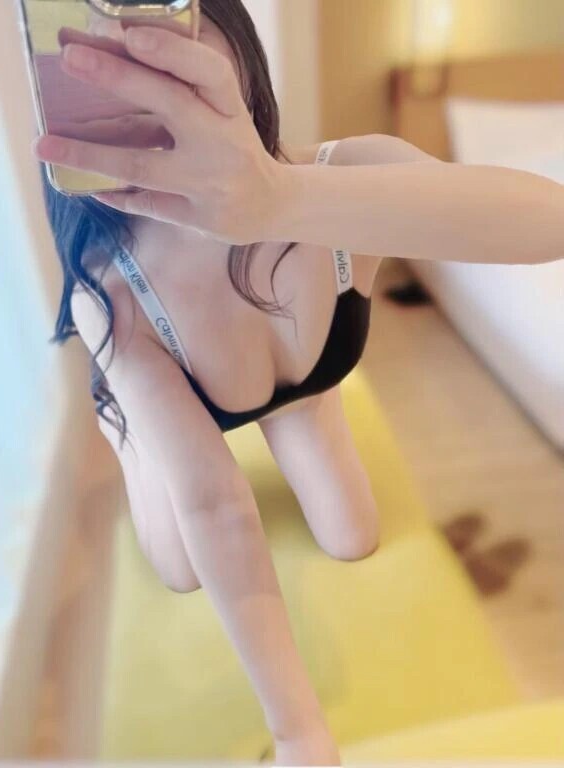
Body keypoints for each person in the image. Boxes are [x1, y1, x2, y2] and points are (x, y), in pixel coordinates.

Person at [32, 1, 563, 765]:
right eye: (129, 83)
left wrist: (282, 202)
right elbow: (217, 506)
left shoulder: (346, 177)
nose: (165, 103)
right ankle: (126, 429)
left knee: (352, 535)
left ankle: (296, 409)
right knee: (180, 566)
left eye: (179, 65)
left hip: (308, 381)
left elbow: (551, 222)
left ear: (240, 62)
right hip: (170, 378)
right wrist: (298, 731)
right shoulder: (111, 293)